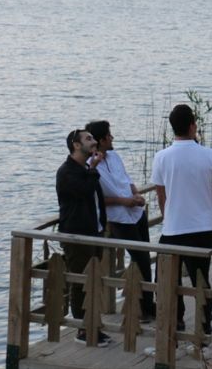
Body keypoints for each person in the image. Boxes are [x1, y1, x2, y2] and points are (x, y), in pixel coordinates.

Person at [150, 104, 212, 335]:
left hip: (173, 228)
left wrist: (171, 214)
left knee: (168, 280)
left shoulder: (162, 157)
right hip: (202, 227)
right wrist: (206, 194)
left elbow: (162, 197)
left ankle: (177, 320)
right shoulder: (208, 154)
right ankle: (205, 325)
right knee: (201, 279)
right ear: (193, 125)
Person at [85, 120, 154, 321]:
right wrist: (125, 201)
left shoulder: (114, 156)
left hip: (136, 212)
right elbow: (99, 199)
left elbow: (126, 179)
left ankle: (147, 305)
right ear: (102, 139)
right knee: (139, 259)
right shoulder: (91, 167)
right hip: (118, 219)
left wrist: (137, 195)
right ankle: (144, 308)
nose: (112, 138)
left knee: (145, 257)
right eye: (109, 134)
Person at [56, 128, 110, 347]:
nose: (94, 141)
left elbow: (95, 197)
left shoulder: (86, 169)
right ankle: (82, 330)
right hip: (77, 236)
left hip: (94, 233)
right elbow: (85, 191)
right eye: (88, 139)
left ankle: (93, 325)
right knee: (80, 283)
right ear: (76, 145)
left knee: (94, 280)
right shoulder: (67, 171)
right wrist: (94, 168)